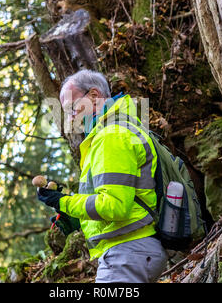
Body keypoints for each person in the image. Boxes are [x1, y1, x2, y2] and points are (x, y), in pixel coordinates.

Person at [37, 69, 168, 283]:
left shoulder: (112, 135)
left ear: (94, 96)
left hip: (128, 252)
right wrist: (74, 217)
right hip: (130, 251)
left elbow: (114, 206)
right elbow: (120, 199)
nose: (70, 116)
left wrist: (65, 202)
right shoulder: (110, 132)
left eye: (72, 107)